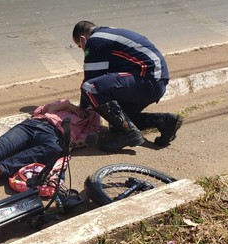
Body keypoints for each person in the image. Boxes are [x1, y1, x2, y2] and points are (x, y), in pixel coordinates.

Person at [72, 20, 182, 152]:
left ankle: (129, 135)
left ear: (83, 40)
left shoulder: (95, 40)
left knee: (90, 87)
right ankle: (164, 121)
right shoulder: (109, 33)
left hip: (145, 79)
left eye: (80, 46)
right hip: (155, 82)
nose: (83, 50)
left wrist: (82, 111)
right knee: (118, 121)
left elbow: (90, 82)